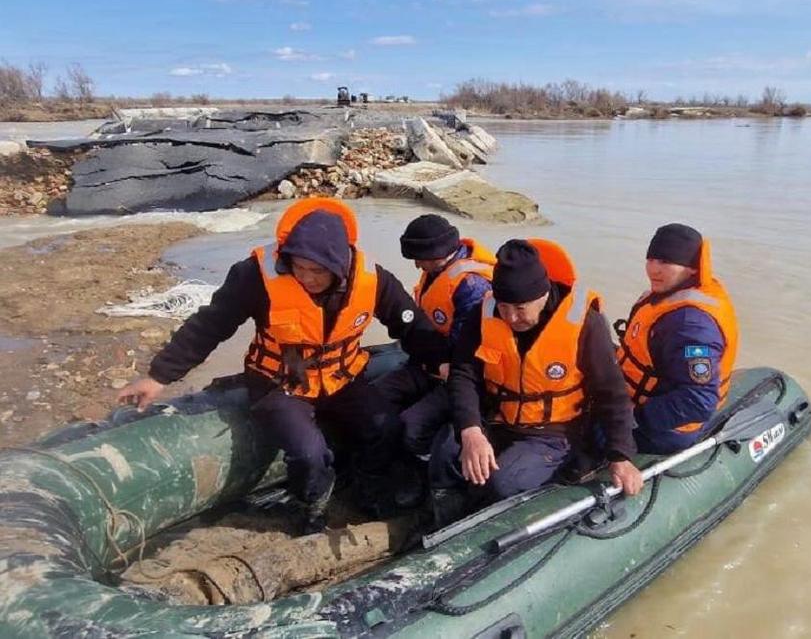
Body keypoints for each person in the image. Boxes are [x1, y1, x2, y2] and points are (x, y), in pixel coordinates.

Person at [116, 197, 448, 533]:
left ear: (340, 265)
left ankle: (369, 486)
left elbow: (410, 323)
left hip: (341, 377)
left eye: (318, 271)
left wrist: (442, 361)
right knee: (309, 454)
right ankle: (313, 509)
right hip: (281, 382)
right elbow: (210, 326)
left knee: (385, 428)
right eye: (299, 268)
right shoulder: (255, 277)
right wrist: (159, 376)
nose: (307, 278)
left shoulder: (373, 279)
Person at [428, 238, 643, 526]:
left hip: (552, 432)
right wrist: (471, 431)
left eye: (520, 308)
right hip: (498, 419)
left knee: (503, 482)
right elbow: (463, 373)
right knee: (444, 455)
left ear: (542, 295)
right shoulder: (483, 315)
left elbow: (612, 392)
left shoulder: (585, 324)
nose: (511, 317)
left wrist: (621, 454)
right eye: (504, 307)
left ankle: (491, 522)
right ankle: (444, 519)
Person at [374, 214, 494, 506]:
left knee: (411, 424)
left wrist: (434, 364)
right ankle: (382, 462)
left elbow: (463, 353)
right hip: (429, 363)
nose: (416, 265)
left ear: (437, 253)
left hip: (458, 373)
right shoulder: (437, 272)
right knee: (375, 398)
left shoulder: (472, 286)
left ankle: (423, 476)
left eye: (418, 258)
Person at [614, 223, 739, 454]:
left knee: (582, 432)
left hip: (664, 429)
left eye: (665, 262)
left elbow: (698, 401)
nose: (653, 269)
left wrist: (633, 417)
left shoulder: (690, 327)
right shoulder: (666, 294)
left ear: (692, 268)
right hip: (638, 394)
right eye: (651, 259)